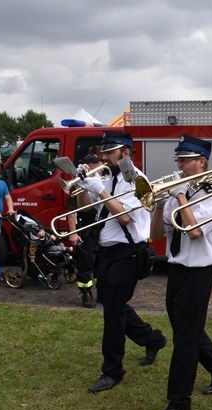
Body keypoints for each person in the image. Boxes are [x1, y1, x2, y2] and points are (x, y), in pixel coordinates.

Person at [148, 134, 212, 410]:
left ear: (202, 162)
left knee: (184, 339)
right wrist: (159, 204)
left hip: (198, 274)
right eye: (179, 160)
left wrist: (181, 195)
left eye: (186, 160)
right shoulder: (177, 195)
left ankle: (179, 402)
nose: (180, 165)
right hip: (176, 271)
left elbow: (194, 231)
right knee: (189, 330)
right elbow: (158, 235)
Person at [76, 131, 167, 393]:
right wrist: (84, 186)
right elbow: (85, 210)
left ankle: (112, 370)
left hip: (128, 253)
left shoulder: (137, 180)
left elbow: (124, 217)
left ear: (125, 153)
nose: (103, 157)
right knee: (113, 304)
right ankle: (153, 339)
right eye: (103, 152)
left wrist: (100, 189)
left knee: (113, 313)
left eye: (109, 153)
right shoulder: (110, 177)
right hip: (107, 253)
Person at [67, 154, 101, 308]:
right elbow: (71, 212)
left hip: (101, 228)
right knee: (85, 265)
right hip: (85, 229)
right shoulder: (79, 184)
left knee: (101, 264)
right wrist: (73, 233)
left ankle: (102, 292)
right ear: (89, 166)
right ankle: (86, 294)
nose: (100, 167)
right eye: (97, 164)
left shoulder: (102, 181)